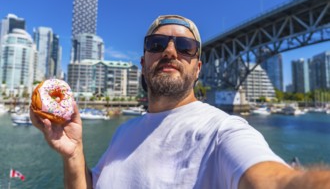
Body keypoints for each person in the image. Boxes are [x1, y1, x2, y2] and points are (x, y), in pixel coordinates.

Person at [30, 15, 330, 189]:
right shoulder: (124, 132)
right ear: (143, 62)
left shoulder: (223, 131)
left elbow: (274, 180)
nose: (171, 52)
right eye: (157, 44)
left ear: (198, 68)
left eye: (186, 46)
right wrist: (74, 153)